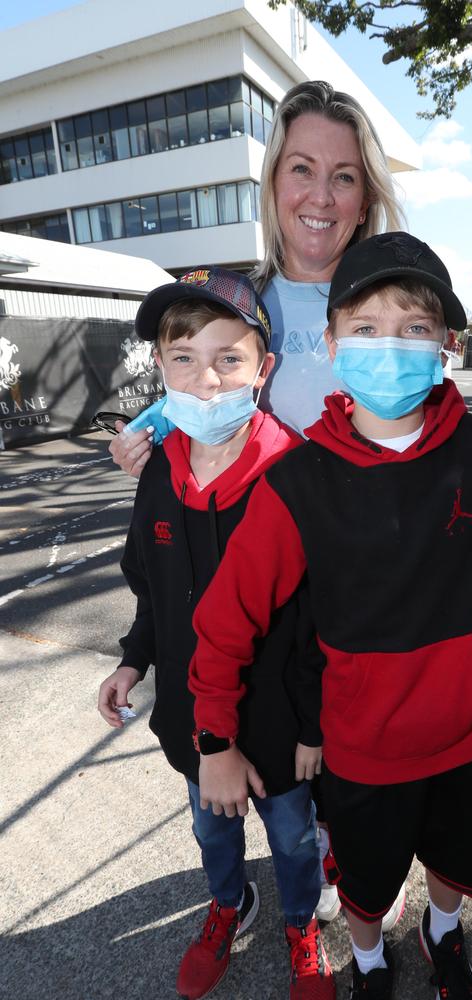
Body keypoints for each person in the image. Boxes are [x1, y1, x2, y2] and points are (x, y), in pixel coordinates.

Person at [187, 233, 472, 1000]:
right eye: (365, 330)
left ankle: (443, 934)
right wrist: (214, 738)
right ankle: (371, 964)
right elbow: (227, 619)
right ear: (331, 344)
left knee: (457, 867)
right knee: (365, 889)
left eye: (413, 328)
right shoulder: (296, 482)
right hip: (362, 752)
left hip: (468, 736)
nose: (388, 346)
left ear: (449, 346)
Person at [106, 80, 472, 922]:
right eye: (302, 169)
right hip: (269, 597)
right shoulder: (239, 300)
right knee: (295, 765)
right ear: (273, 184)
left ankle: (361, 879)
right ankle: (320, 875)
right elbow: (175, 399)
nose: (321, 196)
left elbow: (453, 442)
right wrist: (141, 445)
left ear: (366, 191)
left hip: (380, 607)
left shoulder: (391, 293)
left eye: (343, 175)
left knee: (360, 778)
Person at [97, 266, 335, 1000]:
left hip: (278, 723)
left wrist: (313, 724)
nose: (205, 382)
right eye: (183, 360)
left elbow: (318, 619)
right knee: (210, 832)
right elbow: (157, 589)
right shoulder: (159, 471)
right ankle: (228, 903)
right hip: (196, 725)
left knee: (293, 838)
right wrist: (133, 661)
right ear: (160, 369)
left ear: (262, 369)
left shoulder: (295, 473)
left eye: (227, 359)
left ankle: (301, 919)